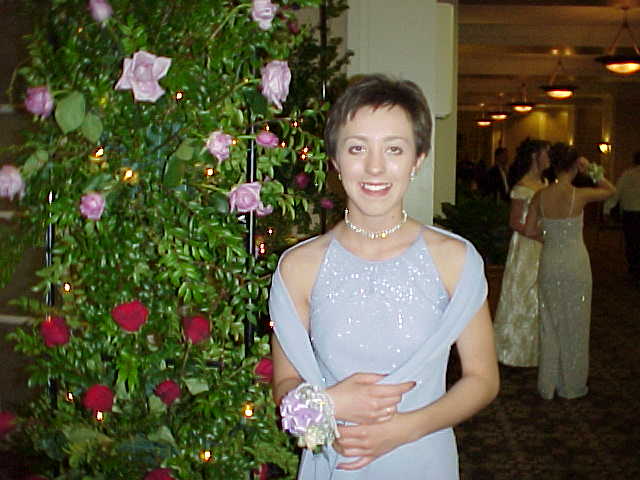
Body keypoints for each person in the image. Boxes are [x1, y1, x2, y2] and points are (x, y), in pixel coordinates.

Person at [269, 74, 499, 479]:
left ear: (418, 160)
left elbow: (482, 379)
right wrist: (328, 405)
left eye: (394, 149)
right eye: (357, 148)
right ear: (335, 160)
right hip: (335, 460)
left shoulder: (453, 259)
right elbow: (285, 381)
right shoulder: (299, 266)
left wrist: (405, 429)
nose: (374, 167)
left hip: (423, 457)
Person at [524, 145, 615, 399]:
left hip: (550, 261)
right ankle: (571, 385)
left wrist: (550, 238)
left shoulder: (540, 196)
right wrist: (592, 170)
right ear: (575, 166)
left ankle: (548, 385)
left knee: (549, 322)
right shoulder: (580, 194)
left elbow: (530, 231)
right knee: (575, 322)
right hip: (575, 263)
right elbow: (611, 190)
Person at [493, 138, 550, 367]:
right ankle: (514, 350)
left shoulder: (546, 183)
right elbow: (515, 222)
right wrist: (539, 235)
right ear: (535, 156)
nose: (549, 158)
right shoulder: (523, 187)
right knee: (524, 295)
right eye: (546, 154)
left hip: (543, 244)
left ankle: (537, 350)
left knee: (541, 297)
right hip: (527, 247)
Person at [604, 151, 640, 285]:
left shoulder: (626, 175)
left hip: (630, 214)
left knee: (632, 243)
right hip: (633, 213)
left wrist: (607, 209)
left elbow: (616, 193)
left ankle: (634, 271)